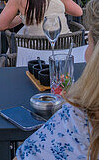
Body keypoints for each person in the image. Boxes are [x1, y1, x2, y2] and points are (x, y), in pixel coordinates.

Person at [15, 30, 99, 159]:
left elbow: (0, 26)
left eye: (88, 43)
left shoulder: (81, 117)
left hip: (28, 47)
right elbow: (77, 12)